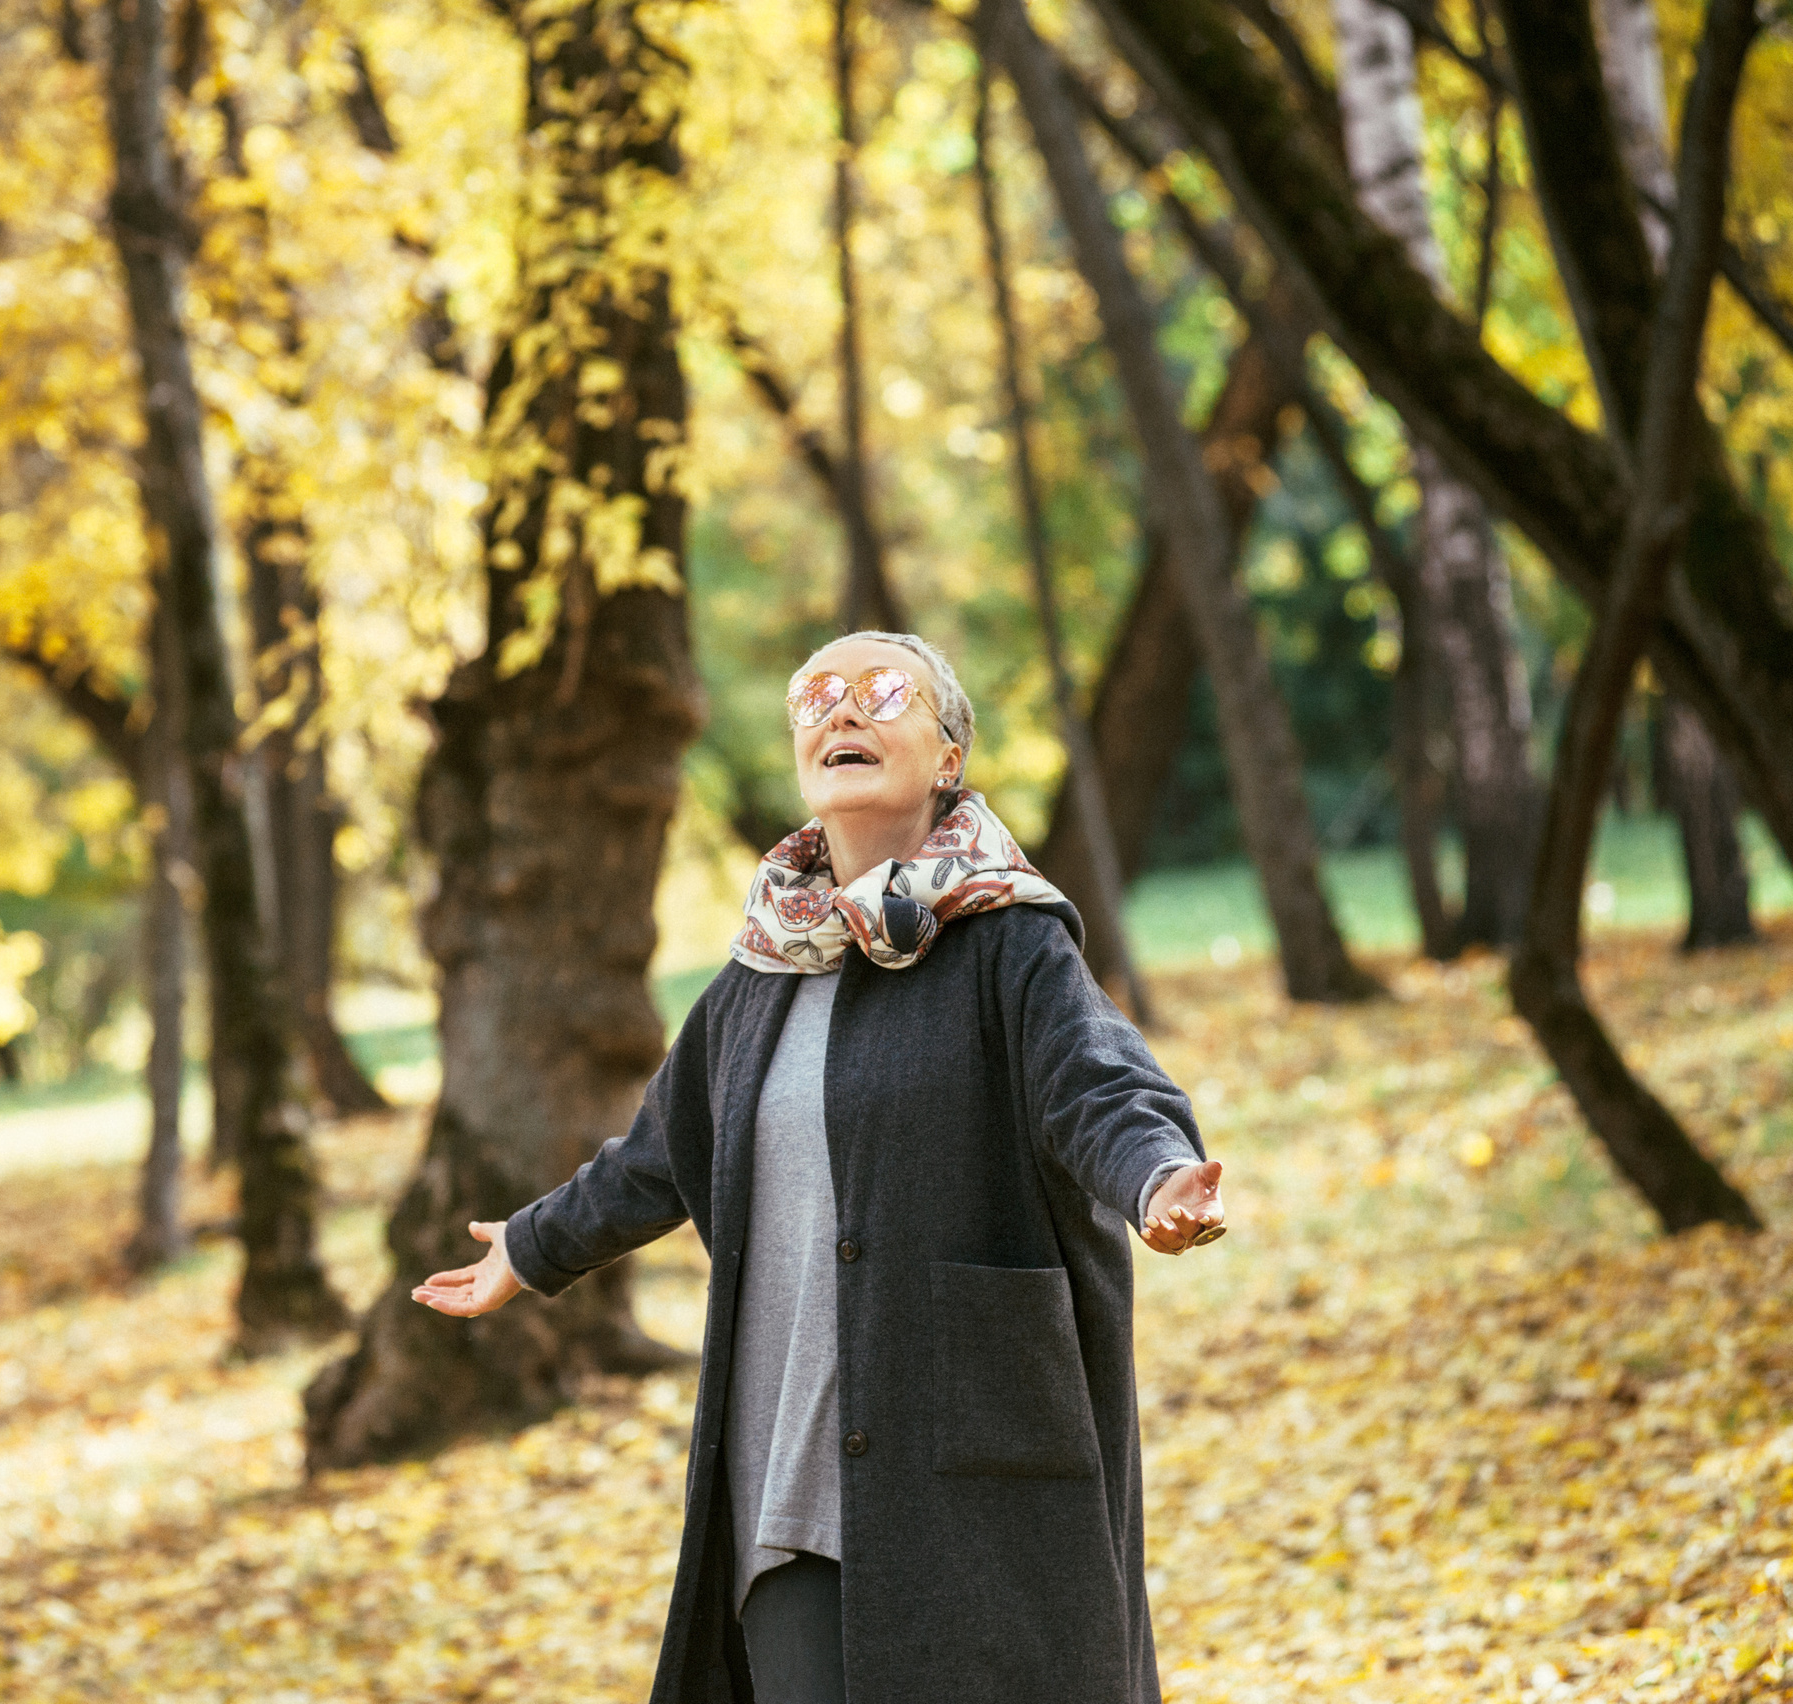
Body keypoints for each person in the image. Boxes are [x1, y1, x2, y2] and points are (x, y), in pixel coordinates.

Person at [412, 632, 1226, 1704]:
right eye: (816, 698)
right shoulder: (758, 974)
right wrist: (528, 1248)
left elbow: (1099, 1087)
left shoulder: (1008, 944)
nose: (843, 712)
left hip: (972, 1482)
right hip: (790, 1478)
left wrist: (1156, 1178)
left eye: (884, 692)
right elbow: (658, 1157)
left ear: (947, 756)